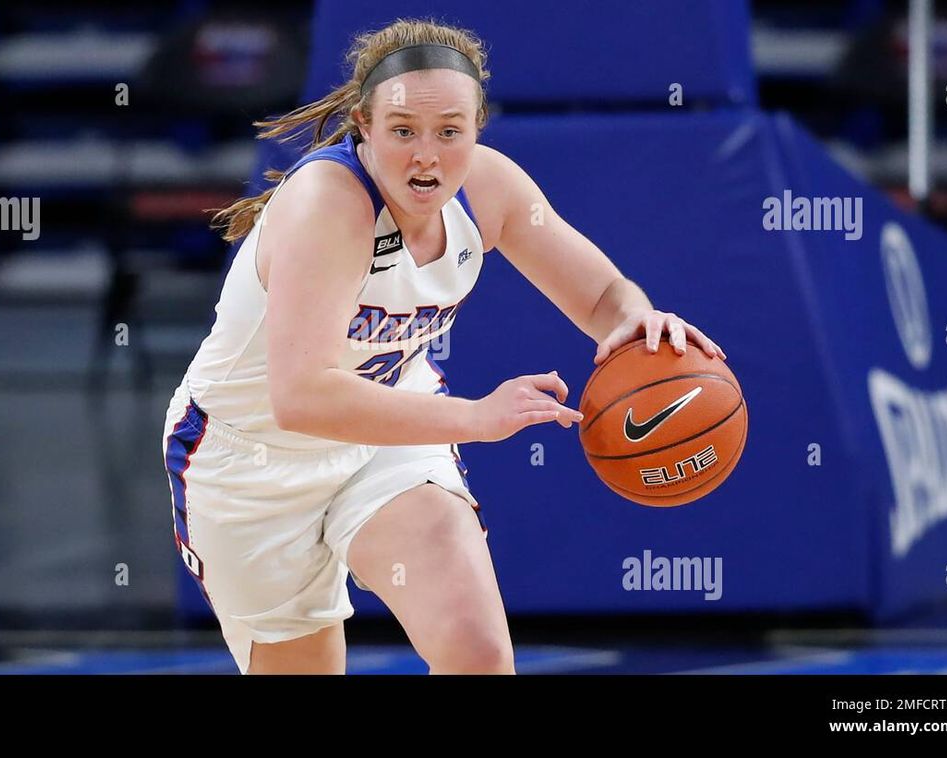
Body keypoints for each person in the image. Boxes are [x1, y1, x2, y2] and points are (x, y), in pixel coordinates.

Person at [163, 18, 724, 674]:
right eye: (403, 131)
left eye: (449, 131)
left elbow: (602, 297)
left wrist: (636, 322)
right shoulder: (326, 205)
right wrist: (477, 419)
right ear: (364, 125)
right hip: (248, 458)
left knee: (477, 655)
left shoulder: (493, 190)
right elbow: (302, 395)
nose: (426, 155)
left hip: (387, 432)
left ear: (477, 127)